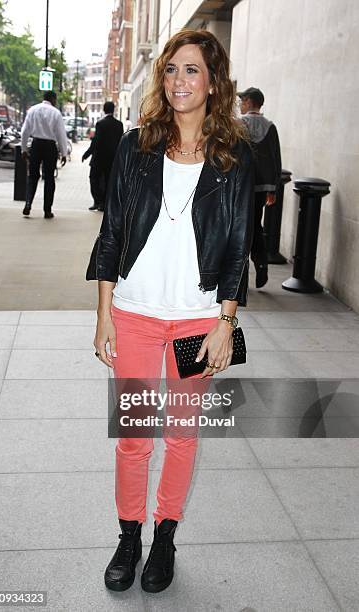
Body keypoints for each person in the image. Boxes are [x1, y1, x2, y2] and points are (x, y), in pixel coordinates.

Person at [86, 29, 254, 593]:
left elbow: (237, 249)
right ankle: (129, 536)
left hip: (196, 318)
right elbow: (111, 233)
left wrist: (225, 323)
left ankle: (164, 538)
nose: (179, 81)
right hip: (133, 311)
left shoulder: (234, 157)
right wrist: (104, 312)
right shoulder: (136, 148)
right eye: (171, 70)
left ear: (213, 83)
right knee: (134, 434)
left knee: (181, 437)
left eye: (191, 71)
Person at [238, 87, 282, 288]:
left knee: (240, 227)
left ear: (248, 101)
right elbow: (275, 158)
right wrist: (273, 189)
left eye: (242, 101)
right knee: (255, 224)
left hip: (241, 186)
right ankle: (261, 263)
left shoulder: (238, 125)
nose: (240, 104)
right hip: (261, 187)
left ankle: (242, 271)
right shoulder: (270, 127)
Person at [21, 90, 68, 219]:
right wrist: (64, 153)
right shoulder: (56, 113)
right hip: (49, 147)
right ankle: (47, 210)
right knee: (49, 179)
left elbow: (25, 131)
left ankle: (28, 204)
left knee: (33, 176)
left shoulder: (33, 110)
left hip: (36, 145)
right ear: (53, 99)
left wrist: (24, 149)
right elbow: (61, 135)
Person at [82, 101, 124, 211]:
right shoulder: (119, 124)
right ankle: (105, 203)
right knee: (109, 180)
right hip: (113, 158)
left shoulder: (101, 123)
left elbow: (96, 141)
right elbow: (121, 142)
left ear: (104, 110)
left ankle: (98, 201)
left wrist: (87, 154)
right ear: (113, 110)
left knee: (94, 178)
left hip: (99, 158)